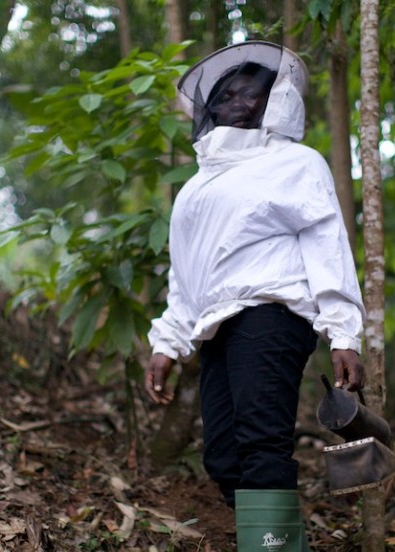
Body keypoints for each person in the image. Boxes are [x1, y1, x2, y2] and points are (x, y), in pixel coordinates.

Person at [144, 41, 366, 552]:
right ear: (212, 106)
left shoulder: (297, 163)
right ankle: (268, 539)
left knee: (262, 443)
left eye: (253, 89)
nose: (239, 97)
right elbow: (188, 276)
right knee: (222, 458)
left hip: (273, 315)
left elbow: (326, 243)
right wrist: (166, 344)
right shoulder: (195, 189)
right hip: (217, 328)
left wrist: (343, 332)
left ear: (276, 100)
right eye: (229, 90)